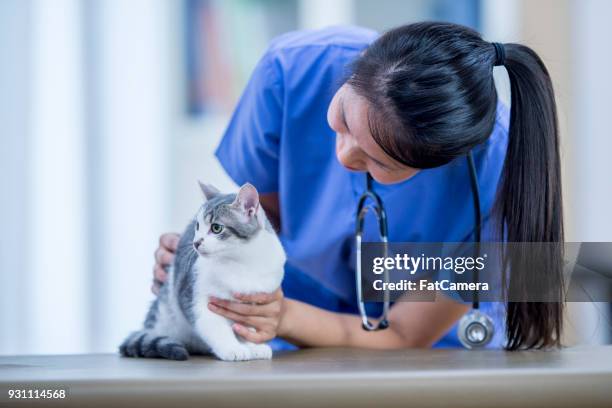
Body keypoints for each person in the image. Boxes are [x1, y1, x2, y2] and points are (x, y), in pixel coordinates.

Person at [152, 22, 564, 350]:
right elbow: (262, 223)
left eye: (380, 161)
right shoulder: (292, 69)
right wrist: (214, 264)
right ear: (359, 66)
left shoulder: (498, 170)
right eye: (345, 119)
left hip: (431, 355)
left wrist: (281, 314)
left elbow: (404, 334)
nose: (345, 156)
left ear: (440, 163)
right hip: (286, 331)